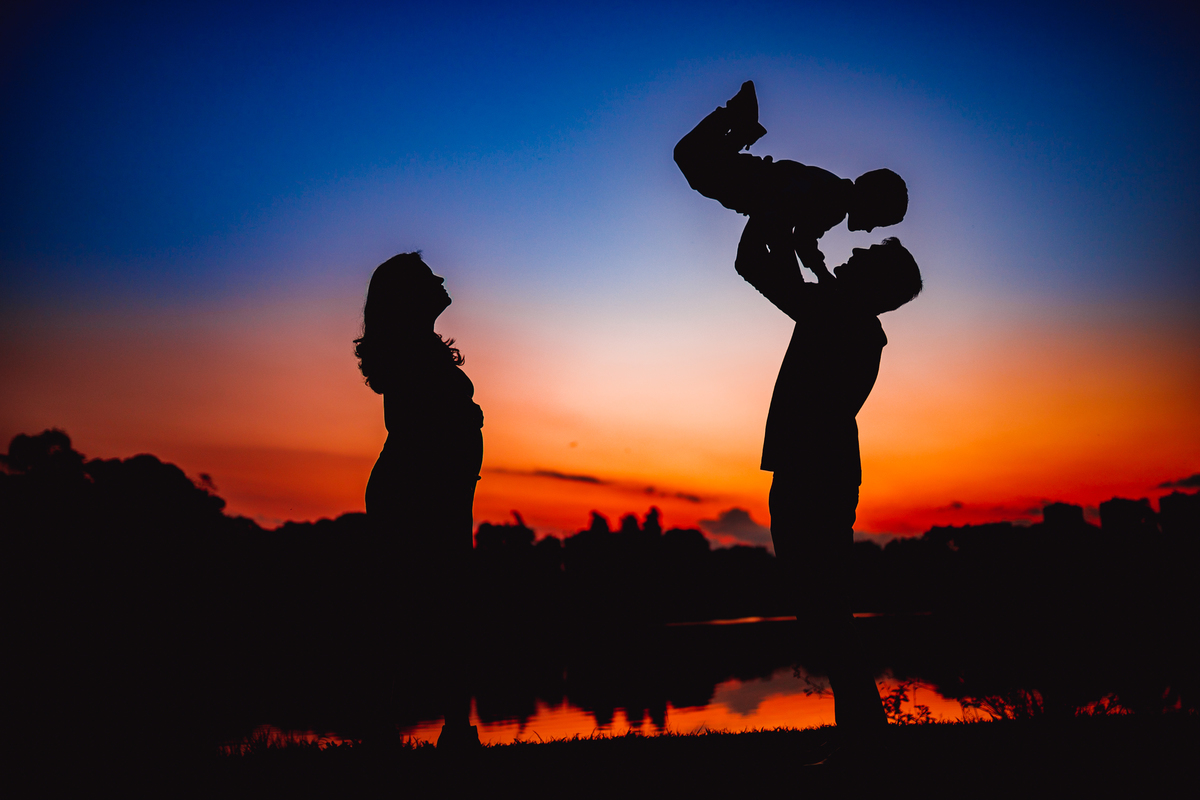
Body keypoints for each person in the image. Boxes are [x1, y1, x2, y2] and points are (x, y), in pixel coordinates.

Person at [733, 215, 922, 735]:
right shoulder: (858, 320)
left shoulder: (833, 313)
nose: (853, 253)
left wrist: (764, 207)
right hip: (826, 470)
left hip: (808, 472)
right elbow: (836, 290)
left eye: (866, 256)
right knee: (828, 611)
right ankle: (863, 740)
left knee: (823, 612)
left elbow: (750, 264)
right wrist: (808, 255)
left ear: (874, 283)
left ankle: (863, 742)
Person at [354, 252, 483, 751]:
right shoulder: (409, 350)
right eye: (430, 277)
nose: (443, 279)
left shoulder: (421, 346)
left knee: (446, 606)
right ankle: (395, 730)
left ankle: (448, 727)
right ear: (408, 295)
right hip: (417, 489)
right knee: (410, 607)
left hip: (439, 488)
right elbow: (428, 426)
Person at [674, 81, 908, 276]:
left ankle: (742, 126)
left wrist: (818, 272)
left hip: (753, 182)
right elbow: (794, 223)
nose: (869, 231)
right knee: (691, 158)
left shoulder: (835, 194)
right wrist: (804, 268)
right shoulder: (835, 200)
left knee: (698, 160)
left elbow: (802, 235)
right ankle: (737, 119)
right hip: (752, 183)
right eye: (876, 221)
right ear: (869, 201)